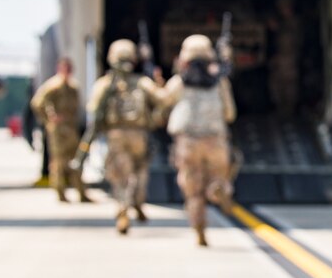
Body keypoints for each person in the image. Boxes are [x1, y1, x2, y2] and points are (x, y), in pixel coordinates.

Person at [161, 34, 237, 246]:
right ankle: (218, 188)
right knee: (218, 175)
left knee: (192, 189)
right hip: (215, 140)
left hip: (188, 142)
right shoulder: (220, 82)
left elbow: (164, 102)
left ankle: (199, 229)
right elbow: (230, 113)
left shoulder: (179, 82)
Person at [87, 39, 165, 235]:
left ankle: (123, 208)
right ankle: (137, 203)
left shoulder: (104, 84)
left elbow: (93, 108)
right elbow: (163, 100)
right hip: (139, 134)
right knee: (139, 171)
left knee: (120, 175)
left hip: (116, 136)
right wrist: (158, 83)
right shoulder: (143, 83)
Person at [30, 57, 90, 203]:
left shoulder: (73, 87)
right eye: (65, 68)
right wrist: (49, 119)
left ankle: (81, 192)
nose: (68, 71)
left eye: (70, 69)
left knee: (76, 160)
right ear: (59, 69)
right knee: (58, 162)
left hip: (71, 127)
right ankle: (60, 192)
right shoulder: (52, 86)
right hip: (58, 129)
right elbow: (37, 103)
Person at [266, 0, 301, 116]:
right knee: (276, 85)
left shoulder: (294, 23)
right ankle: (281, 110)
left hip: (289, 58)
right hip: (281, 58)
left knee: (289, 86)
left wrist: (278, 28)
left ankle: (288, 111)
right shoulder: (284, 22)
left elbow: (291, 41)